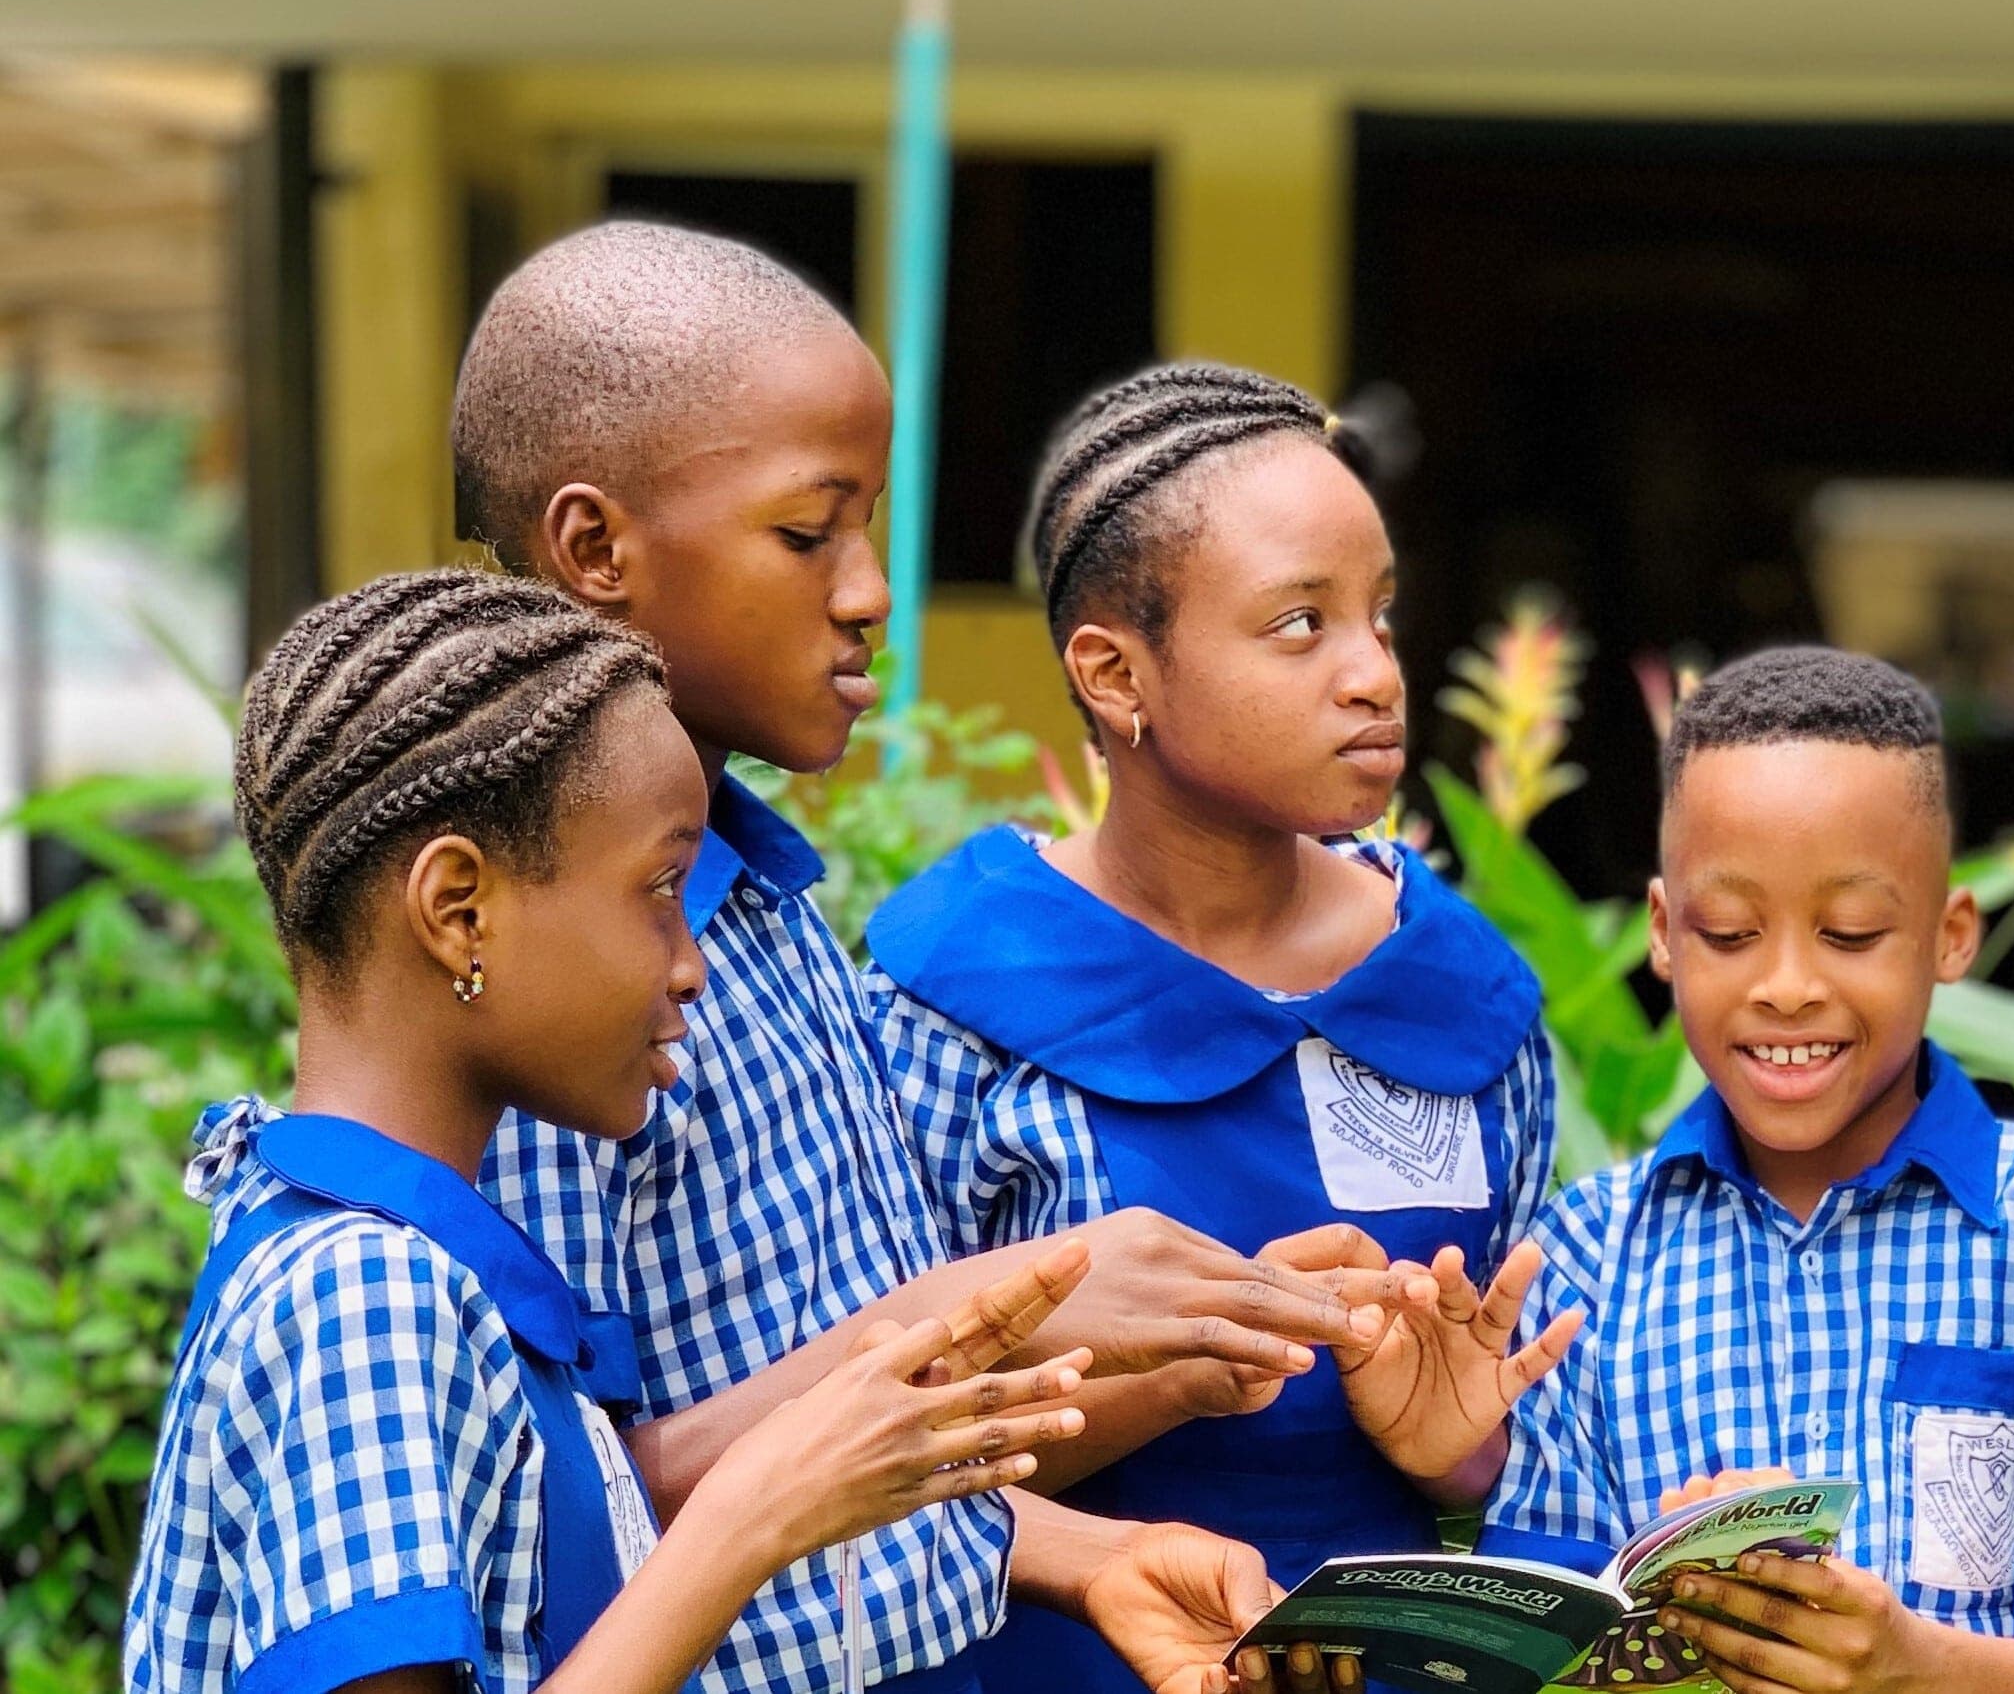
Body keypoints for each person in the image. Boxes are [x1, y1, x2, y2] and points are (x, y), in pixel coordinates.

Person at [454, 226, 1392, 1694]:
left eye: (875, 527)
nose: (871, 589)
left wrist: (1097, 1512)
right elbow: (541, 1510)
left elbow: (856, 1446)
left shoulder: (773, 922)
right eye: (807, 530)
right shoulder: (559, 983)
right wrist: (951, 1318)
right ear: (595, 550)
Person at [124, 570, 1101, 1694]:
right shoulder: (361, 1296)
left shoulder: (426, 1266)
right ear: (458, 909)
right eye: (659, 890)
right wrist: (747, 1520)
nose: (690, 965)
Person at [865, 362, 1576, 1691]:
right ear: (1117, 673)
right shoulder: (951, 1001)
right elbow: (859, 1446)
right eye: (1300, 623)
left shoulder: (1465, 1001)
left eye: (1382, 612)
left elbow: (1500, 1452)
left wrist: (1460, 1453)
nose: (1373, 672)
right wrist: (1191, 1364)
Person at [1473, 647, 2014, 1693]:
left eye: (1851, 932)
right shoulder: (1584, 1257)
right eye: (1728, 932)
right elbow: (1536, 1653)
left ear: (1950, 934)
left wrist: (1913, 1668)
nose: (1785, 986)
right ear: (1662, 934)